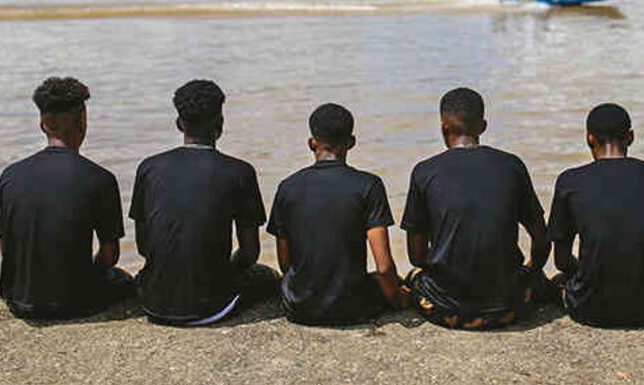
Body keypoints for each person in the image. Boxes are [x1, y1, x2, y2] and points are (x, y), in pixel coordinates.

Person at [402, 87, 552, 329]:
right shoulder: (511, 166)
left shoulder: (425, 172)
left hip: (446, 309)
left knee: (412, 279)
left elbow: (417, 256)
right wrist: (530, 271)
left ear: (443, 127)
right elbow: (541, 237)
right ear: (483, 126)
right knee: (542, 281)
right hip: (508, 305)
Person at [129, 79, 277, 326]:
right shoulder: (240, 172)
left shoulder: (149, 168)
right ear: (220, 125)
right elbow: (250, 253)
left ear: (179, 124)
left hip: (154, 304)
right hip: (214, 307)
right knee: (266, 275)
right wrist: (226, 267)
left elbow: (145, 247)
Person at [0, 76, 135, 319]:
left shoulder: (10, 175)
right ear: (83, 121)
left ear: (43, 124)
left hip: (19, 300)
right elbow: (109, 255)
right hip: (75, 303)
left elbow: (6, 248)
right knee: (122, 279)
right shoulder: (100, 179)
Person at [549, 103, 644, 327]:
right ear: (630, 137)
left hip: (590, 308)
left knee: (557, 282)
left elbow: (561, 261)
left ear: (589, 138)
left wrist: (588, 270)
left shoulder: (570, 181)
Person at [266, 103, 405, 325]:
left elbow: (286, 264)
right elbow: (384, 267)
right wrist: (397, 298)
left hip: (300, 308)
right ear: (351, 142)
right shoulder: (368, 185)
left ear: (312, 143)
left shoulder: (288, 188)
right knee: (393, 281)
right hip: (354, 309)